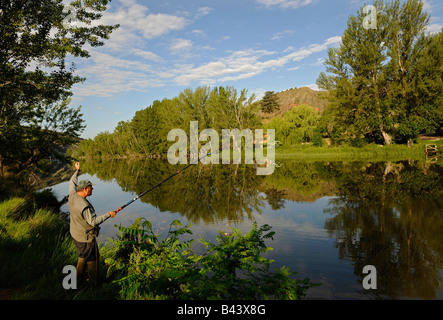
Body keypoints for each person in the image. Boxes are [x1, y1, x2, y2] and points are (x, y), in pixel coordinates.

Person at [68, 162, 116, 286]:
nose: (92, 189)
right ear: (85, 189)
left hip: (75, 235)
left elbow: (71, 182)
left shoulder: (72, 195)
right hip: (86, 238)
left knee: (82, 255)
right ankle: (94, 284)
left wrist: (77, 171)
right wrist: (108, 215)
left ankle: (77, 277)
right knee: (92, 258)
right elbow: (93, 221)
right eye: (90, 187)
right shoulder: (84, 206)